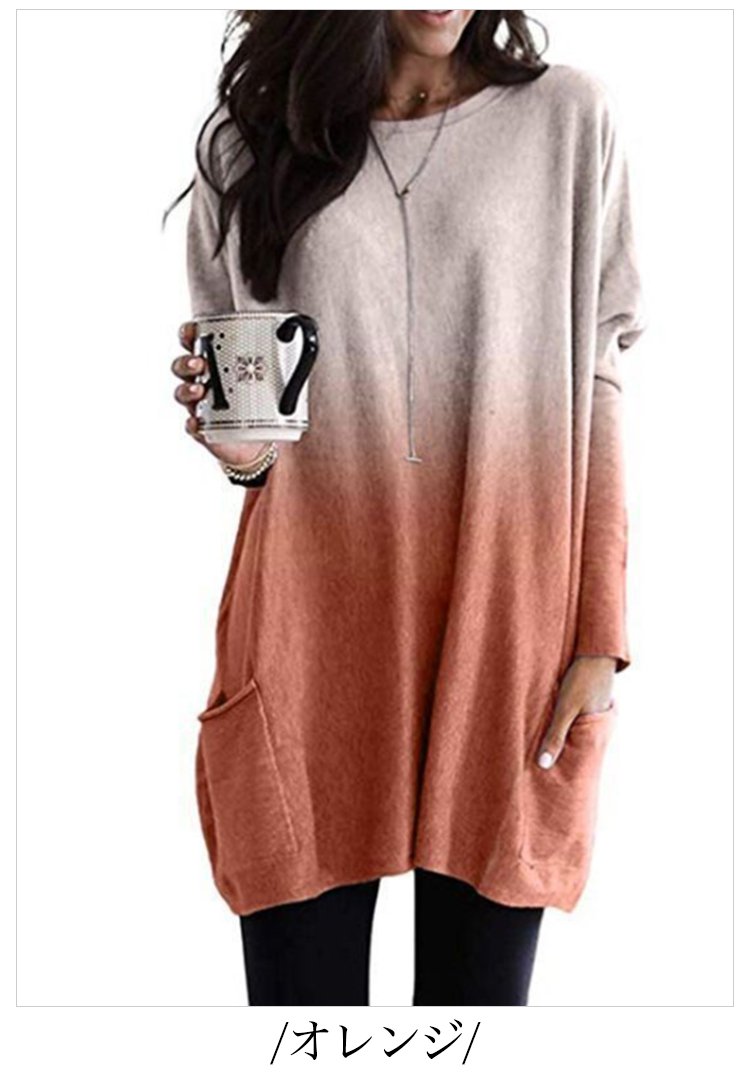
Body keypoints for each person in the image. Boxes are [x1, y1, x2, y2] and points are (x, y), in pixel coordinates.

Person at [166, 10, 647, 1006]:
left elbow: (597, 377)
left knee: (470, 1040)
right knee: (303, 1038)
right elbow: (254, 426)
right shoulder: (251, 140)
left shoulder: (568, 119)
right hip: (310, 633)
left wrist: (599, 636)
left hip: (506, 631)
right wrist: (238, 450)